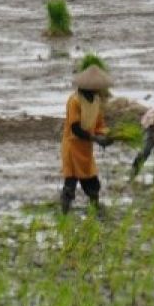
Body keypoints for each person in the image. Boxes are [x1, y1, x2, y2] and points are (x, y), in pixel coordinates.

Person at [60, 66, 114, 215]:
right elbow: (75, 128)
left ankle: (95, 209)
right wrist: (95, 138)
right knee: (70, 182)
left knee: (92, 182)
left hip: (86, 148)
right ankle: (65, 212)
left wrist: (106, 135)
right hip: (72, 146)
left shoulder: (96, 101)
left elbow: (99, 125)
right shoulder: (74, 101)